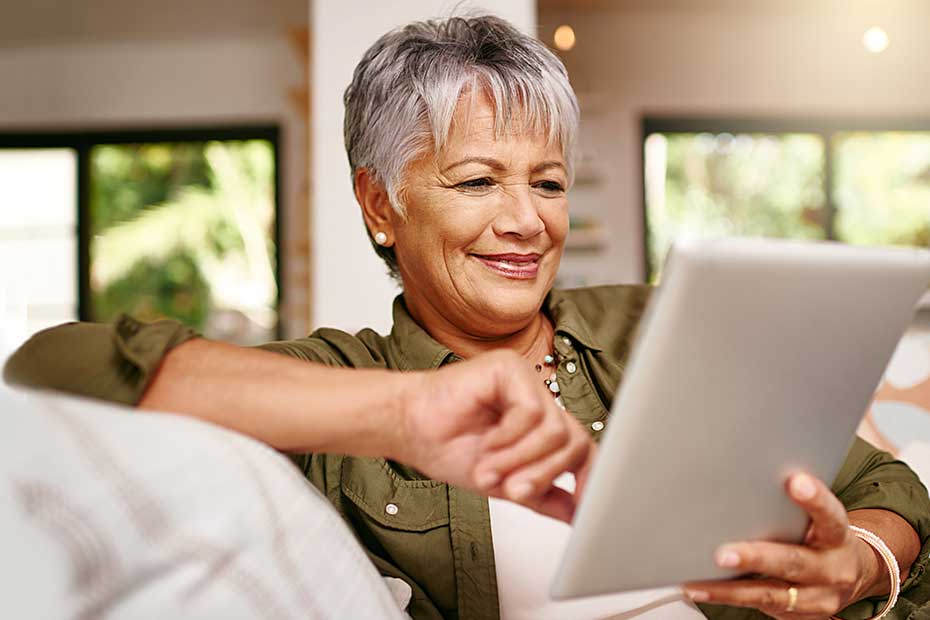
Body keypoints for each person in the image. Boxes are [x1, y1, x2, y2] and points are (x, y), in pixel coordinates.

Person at [6, 14, 930, 620]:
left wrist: (859, 563)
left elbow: (890, 491)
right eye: (477, 180)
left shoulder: (653, 326)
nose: (527, 220)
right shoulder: (343, 384)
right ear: (380, 204)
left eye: (549, 183)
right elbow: (53, 370)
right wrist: (402, 412)